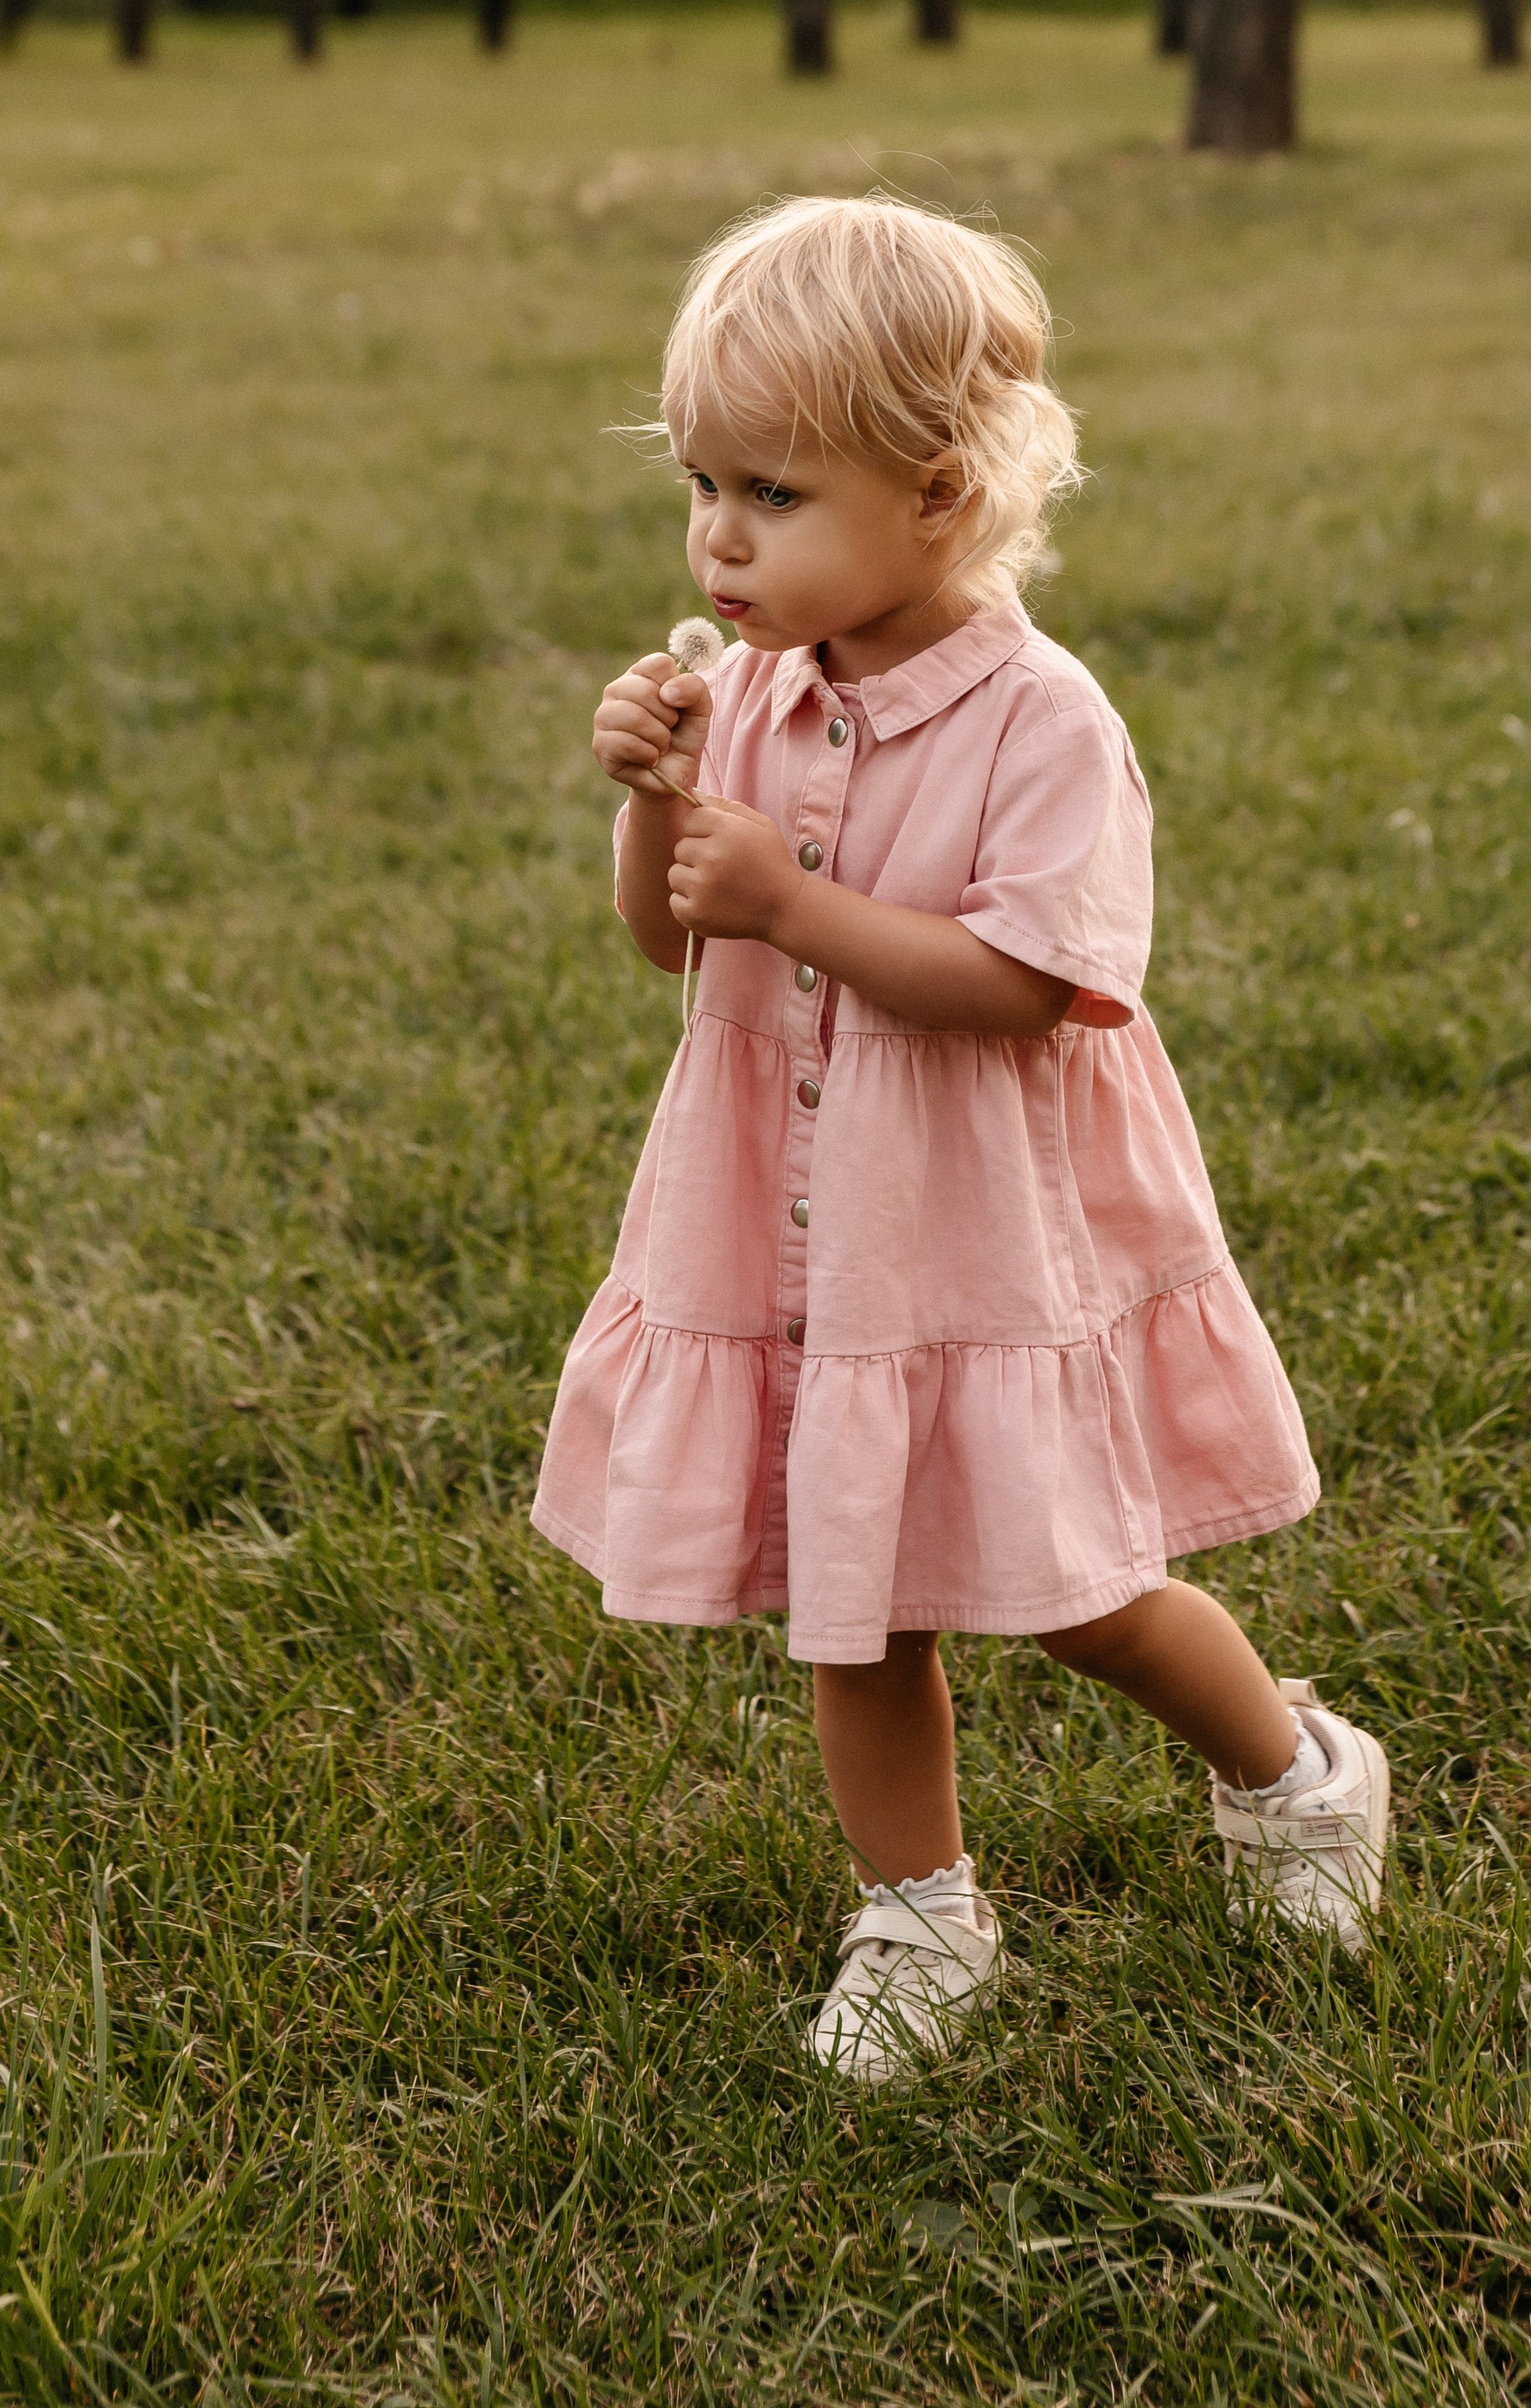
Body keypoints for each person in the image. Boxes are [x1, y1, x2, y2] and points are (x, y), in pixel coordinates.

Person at [532, 194, 1390, 2083]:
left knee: (1080, 1593)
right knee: (848, 1601)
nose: (717, 535)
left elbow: (1025, 986)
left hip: (976, 1228)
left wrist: (794, 901)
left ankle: (1297, 1771)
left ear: (935, 495)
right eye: (700, 483)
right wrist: (657, 799)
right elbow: (669, 936)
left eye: (773, 493)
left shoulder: (1041, 721)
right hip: (804, 1231)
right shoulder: (753, 691)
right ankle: (919, 1912)